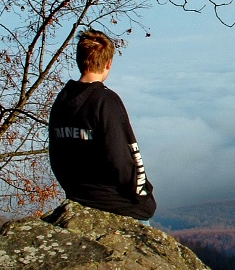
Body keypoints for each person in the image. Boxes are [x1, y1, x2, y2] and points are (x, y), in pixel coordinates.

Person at [48, 29, 157, 220]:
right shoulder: (106, 101)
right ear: (108, 63)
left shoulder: (61, 101)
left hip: (78, 197)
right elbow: (122, 159)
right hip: (117, 204)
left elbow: (56, 156)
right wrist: (143, 195)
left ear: (79, 60)